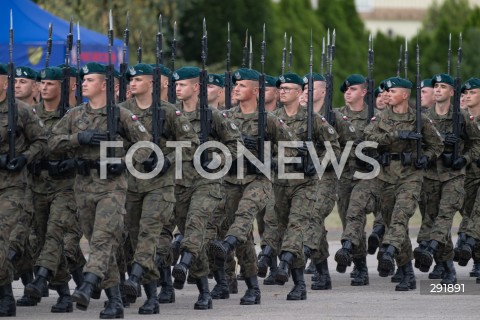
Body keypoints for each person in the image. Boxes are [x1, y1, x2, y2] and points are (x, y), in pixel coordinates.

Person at [48, 62, 151, 318]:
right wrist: (77, 139)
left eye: (89, 80)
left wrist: (124, 162)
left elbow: (147, 145)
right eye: (83, 80)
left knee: (104, 240)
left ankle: (87, 283)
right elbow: (51, 142)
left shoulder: (121, 115)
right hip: (83, 188)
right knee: (100, 244)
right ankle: (114, 300)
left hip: (112, 188)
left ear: (104, 85)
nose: (83, 83)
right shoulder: (74, 115)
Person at [336, 76, 444, 291]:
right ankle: (405, 269)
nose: (387, 95)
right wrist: (396, 135)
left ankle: (389, 251)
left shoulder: (420, 119)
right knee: (380, 215)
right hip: (383, 175)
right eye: (386, 92)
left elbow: (437, 144)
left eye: (392, 92)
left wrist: (427, 157)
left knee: (399, 218)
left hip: (410, 176)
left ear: (404, 94)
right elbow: (368, 137)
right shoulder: (380, 118)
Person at [210, 68, 296, 305]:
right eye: (234, 85)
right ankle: (244, 284)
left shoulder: (268, 120)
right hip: (229, 180)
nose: (236, 88)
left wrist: (268, 158)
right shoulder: (225, 117)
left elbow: (292, 148)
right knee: (240, 234)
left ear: (256, 91)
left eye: (242, 85)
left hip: (258, 179)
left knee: (244, 215)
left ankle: (229, 250)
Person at [119, 63, 199, 314]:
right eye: (130, 80)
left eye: (138, 80)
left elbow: (191, 142)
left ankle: (142, 284)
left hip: (160, 186)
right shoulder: (121, 111)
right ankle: (150, 290)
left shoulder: (168, 111)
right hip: (131, 185)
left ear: (152, 84)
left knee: (148, 235)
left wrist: (168, 158)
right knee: (133, 239)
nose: (132, 83)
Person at [258, 72, 340, 300]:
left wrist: (317, 162)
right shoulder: (272, 118)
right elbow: (263, 149)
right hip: (280, 182)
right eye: (280, 88)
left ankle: (291, 273)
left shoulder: (313, 120)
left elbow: (334, 148)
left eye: (287, 88)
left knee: (297, 227)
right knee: (279, 226)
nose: (282, 91)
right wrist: (273, 160)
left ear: (300, 92)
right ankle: (317, 274)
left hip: (306, 183)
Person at [171, 66, 242, 309]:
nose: (177, 87)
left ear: (196, 87)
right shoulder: (171, 114)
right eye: (176, 84)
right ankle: (204, 289)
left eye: (183, 84)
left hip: (208, 182)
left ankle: (185, 261)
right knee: (193, 234)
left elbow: (236, 145)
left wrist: (217, 159)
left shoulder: (212, 116)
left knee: (196, 224)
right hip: (179, 183)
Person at [22, 67, 81, 313]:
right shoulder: (29, 114)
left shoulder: (73, 115)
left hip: (65, 186)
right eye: (42, 83)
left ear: (62, 87)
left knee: (55, 234)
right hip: (37, 185)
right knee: (39, 239)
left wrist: (74, 161)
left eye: (50, 83)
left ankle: (41, 278)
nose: (44, 87)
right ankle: (65, 293)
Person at [414, 73, 480, 285]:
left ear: (452, 92)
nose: (438, 90)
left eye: (443, 86)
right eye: (436, 86)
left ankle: (430, 247)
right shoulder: (423, 118)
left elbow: (476, 144)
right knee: (431, 219)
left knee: (445, 216)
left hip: (454, 176)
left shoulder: (461, 117)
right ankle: (448, 267)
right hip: (430, 176)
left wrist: (464, 159)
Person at [0, 63, 48, 317]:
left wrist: (25, 157)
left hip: (13, 187)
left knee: (4, 242)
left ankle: (6, 295)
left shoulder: (20, 111)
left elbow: (42, 141)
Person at [454, 78, 480, 277]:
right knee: (469, 214)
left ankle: (469, 242)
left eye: (472, 92)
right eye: (465, 94)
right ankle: (478, 259)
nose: (467, 96)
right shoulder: (460, 119)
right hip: (468, 174)